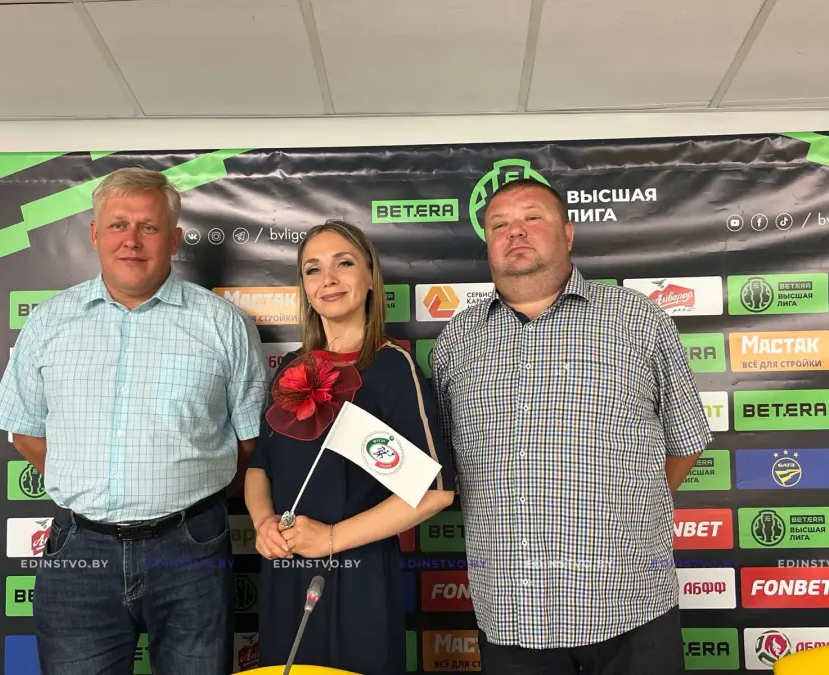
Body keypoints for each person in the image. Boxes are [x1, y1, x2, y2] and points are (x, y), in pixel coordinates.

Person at [0, 167, 268, 675]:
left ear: (174, 240)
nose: (131, 240)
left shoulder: (224, 324)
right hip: (79, 551)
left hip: (191, 549)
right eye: (118, 225)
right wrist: (86, 479)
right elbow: (24, 430)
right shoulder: (49, 321)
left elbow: (250, 442)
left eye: (149, 227)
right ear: (95, 234)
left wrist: (180, 488)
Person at [431, 178, 713, 675]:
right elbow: (445, 466)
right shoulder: (457, 339)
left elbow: (685, 440)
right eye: (499, 224)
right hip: (511, 610)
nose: (515, 232)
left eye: (532, 217)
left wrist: (627, 509)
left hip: (631, 603)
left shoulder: (638, 319)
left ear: (568, 233)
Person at [245, 219, 457, 675]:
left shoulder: (392, 366)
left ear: (370, 277)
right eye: (313, 269)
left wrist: (331, 539)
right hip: (286, 569)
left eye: (343, 264)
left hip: (359, 576)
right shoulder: (290, 369)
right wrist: (263, 524)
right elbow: (260, 465)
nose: (328, 279)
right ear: (304, 288)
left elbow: (434, 492)